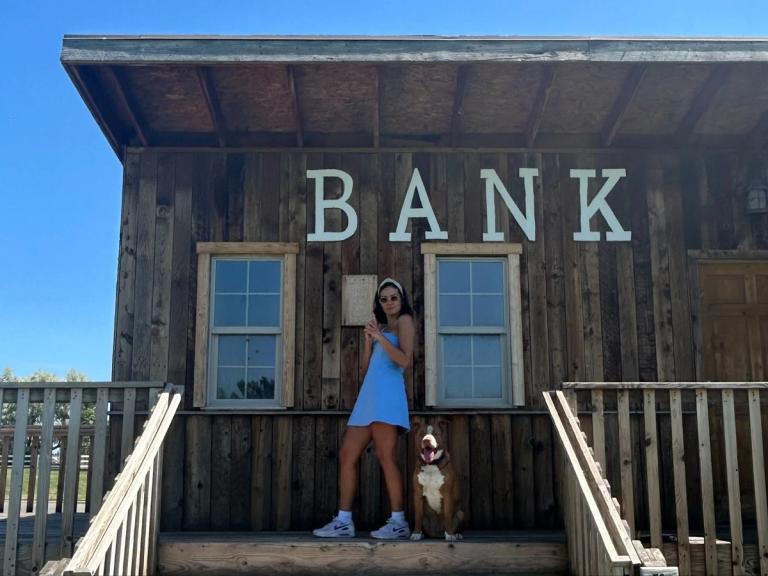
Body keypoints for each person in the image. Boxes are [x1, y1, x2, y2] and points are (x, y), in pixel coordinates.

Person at [313, 277, 415, 539]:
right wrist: (370, 341)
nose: (389, 302)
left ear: (401, 300)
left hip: (388, 396)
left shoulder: (405, 322)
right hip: (368, 396)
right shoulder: (378, 326)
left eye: (394, 297)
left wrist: (381, 337)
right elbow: (365, 369)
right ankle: (344, 521)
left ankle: (399, 522)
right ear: (378, 303)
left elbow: (404, 360)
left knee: (385, 456)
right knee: (347, 454)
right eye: (384, 299)